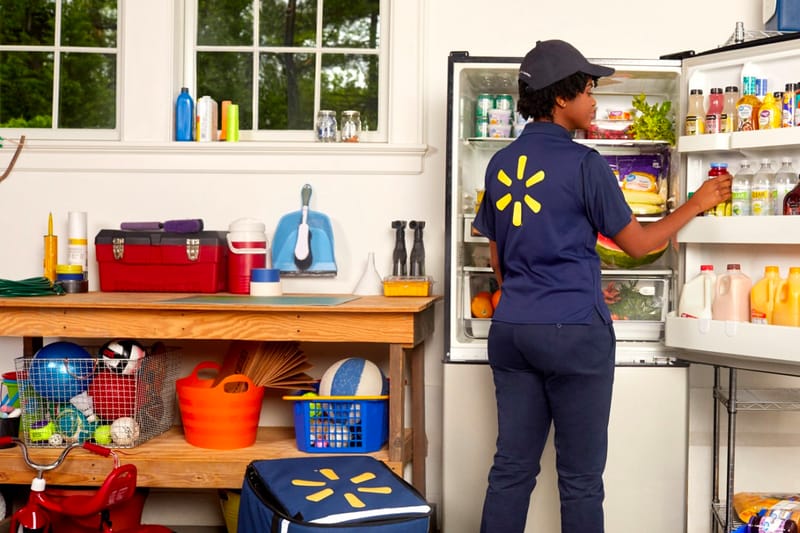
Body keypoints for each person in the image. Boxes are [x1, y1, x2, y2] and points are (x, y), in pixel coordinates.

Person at [472, 39, 731, 533]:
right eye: (589, 91)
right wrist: (696, 204)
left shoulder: (500, 164)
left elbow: (499, 261)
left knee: (511, 470)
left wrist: (546, 293)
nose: (594, 102)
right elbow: (638, 244)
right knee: (581, 478)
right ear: (561, 98)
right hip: (575, 335)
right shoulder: (587, 164)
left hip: (512, 331)